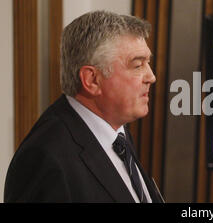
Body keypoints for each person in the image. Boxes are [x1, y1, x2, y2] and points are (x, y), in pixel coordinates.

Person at [4, 11, 164, 203]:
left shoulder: (117, 133)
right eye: (137, 65)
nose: (151, 77)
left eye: (148, 63)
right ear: (92, 80)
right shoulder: (45, 158)